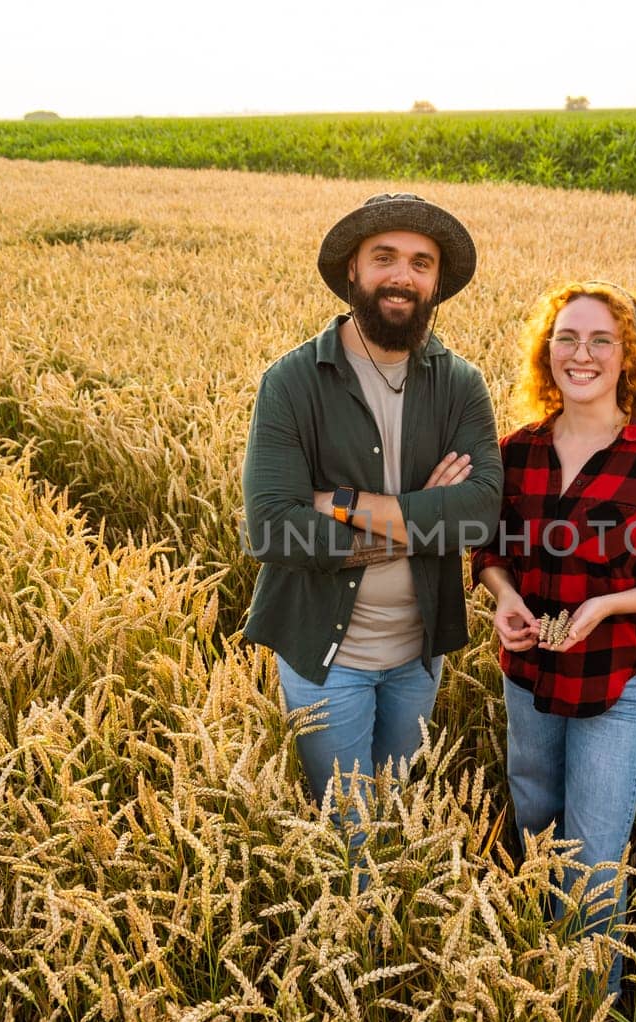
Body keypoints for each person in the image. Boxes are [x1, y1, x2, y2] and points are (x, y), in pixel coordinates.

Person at [471, 281, 636, 996]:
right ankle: (533, 998)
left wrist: (609, 604)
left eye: (600, 340)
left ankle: (585, 1017)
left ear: (628, 358)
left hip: (615, 681)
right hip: (529, 677)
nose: (580, 354)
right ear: (546, 351)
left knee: (592, 866)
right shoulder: (513, 454)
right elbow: (485, 551)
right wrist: (507, 598)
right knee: (537, 838)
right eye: (566, 338)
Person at [242, 193, 502, 848]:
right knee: (348, 835)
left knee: (394, 820)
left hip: (419, 653)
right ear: (352, 271)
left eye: (420, 262)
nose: (401, 275)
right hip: (329, 658)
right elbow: (272, 528)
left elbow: (481, 511)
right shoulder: (293, 382)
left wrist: (348, 504)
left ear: (436, 283)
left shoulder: (461, 384)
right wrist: (423, 515)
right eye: (384, 257)